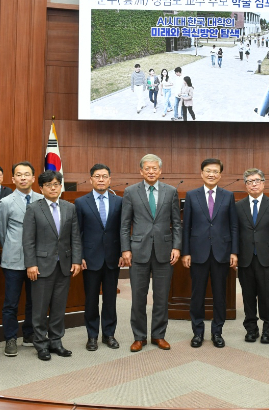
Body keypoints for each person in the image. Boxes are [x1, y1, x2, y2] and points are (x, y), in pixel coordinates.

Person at [120, 154, 181, 352]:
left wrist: (177, 247)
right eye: (147, 168)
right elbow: (125, 224)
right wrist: (126, 249)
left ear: (160, 171)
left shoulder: (171, 191)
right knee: (138, 296)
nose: (151, 171)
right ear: (141, 171)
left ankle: (158, 335)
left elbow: (176, 223)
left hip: (164, 251)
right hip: (138, 251)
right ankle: (139, 337)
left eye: (155, 168)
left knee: (161, 297)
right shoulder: (130, 192)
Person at [23, 170, 82, 361]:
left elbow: (75, 237)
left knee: (58, 307)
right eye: (49, 185)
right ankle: (41, 344)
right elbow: (28, 240)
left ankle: (56, 341)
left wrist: (76, 260)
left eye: (56, 184)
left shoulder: (69, 207)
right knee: (39, 309)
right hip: (40, 266)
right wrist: (30, 264)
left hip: (64, 266)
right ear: (41, 188)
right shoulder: (33, 208)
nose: (53, 188)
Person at [182, 158, 238, 348]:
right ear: (201, 173)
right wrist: (186, 252)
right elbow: (186, 226)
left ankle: (217, 332)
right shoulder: (191, 195)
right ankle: (197, 333)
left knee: (220, 295)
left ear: (220, 175)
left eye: (215, 171)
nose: (211, 174)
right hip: (197, 253)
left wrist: (234, 252)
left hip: (222, 253)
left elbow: (233, 226)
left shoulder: (228, 196)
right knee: (197, 295)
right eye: (208, 170)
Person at [76, 163, 123, 352]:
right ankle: (92, 336)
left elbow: (122, 230)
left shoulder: (119, 201)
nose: (101, 179)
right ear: (91, 180)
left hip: (113, 258)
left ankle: (109, 334)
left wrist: (122, 252)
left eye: (104, 176)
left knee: (110, 299)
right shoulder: (81, 202)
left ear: (110, 180)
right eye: (97, 176)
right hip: (90, 259)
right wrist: (79, 256)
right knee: (91, 300)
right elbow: (76, 232)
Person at [0, 161, 43, 357]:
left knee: (34, 301)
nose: (23, 178)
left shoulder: (42, 199)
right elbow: (2, 231)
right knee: (11, 302)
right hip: (13, 259)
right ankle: (10, 338)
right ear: (13, 179)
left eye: (27, 174)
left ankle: (29, 334)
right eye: (19, 174)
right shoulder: (5, 202)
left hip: (37, 260)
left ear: (33, 178)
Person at [236, 168, 269, 344]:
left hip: (266, 258)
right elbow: (235, 232)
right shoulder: (238, 206)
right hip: (245, 258)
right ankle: (251, 329)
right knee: (248, 296)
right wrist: (234, 253)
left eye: (257, 180)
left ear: (263, 183)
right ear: (246, 185)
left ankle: (268, 328)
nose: (254, 184)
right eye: (250, 181)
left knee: (266, 295)